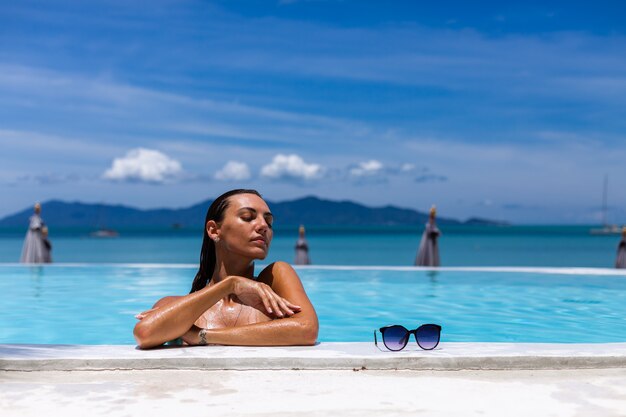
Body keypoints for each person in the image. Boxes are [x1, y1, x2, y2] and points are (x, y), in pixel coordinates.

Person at [134, 189, 319, 349]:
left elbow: (307, 329)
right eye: (248, 217)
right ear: (214, 230)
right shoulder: (176, 305)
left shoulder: (274, 279)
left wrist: (202, 336)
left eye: (269, 222)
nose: (263, 226)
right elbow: (144, 334)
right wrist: (230, 285)